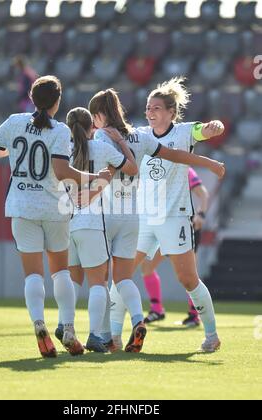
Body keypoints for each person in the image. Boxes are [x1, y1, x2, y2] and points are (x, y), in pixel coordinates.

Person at [0, 76, 111, 358]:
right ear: (57, 100)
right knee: (60, 272)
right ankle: (70, 329)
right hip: (54, 208)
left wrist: (11, 152)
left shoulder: (14, 121)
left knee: (33, 275)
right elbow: (63, 172)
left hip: (21, 207)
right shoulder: (60, 130)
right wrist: (94, 178)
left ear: (31, 95)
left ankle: (39, 324)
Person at [88, 87, 225, 353]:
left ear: (171, 112)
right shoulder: (138, 135)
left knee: (188, 279)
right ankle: (114, 338)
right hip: (142, 218)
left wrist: (213, 128)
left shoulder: (185, 131)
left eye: (156, 108)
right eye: (148, 108)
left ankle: (211, 334)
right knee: (122, 276)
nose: (150, 112)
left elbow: (204, 131)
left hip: (174, 217)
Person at [61, 107, 138, 353]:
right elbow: (131, 169)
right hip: (92, 224)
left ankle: (66, 326)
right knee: (97, 283)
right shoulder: (102, 148)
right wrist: (119, 145)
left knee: (73, 281)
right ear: (91, 127)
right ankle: (95, 336)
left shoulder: (62, 152)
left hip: (65, 223)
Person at [141, 167, 210, 327]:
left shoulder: (185, 170)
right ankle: (157, 310)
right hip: (161, 224)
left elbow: (203, 194)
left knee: (190, 274)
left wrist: (201, 214)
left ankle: (195, 314)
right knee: (147, 267)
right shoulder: (155, 168)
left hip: (183, 224)